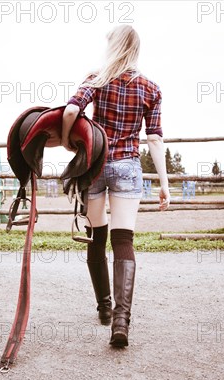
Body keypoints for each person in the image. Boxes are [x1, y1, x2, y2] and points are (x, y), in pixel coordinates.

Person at [61, 25, 170, 347]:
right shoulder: (151, 88)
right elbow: (154, 137)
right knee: (124, 239)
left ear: (113, 46)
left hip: (95, 165)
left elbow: (70, 110)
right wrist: (164, 183)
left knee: (97, 236)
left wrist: (68, 141)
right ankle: (121, 322)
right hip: (127, 167)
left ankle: (105, 307)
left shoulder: (97, 77)